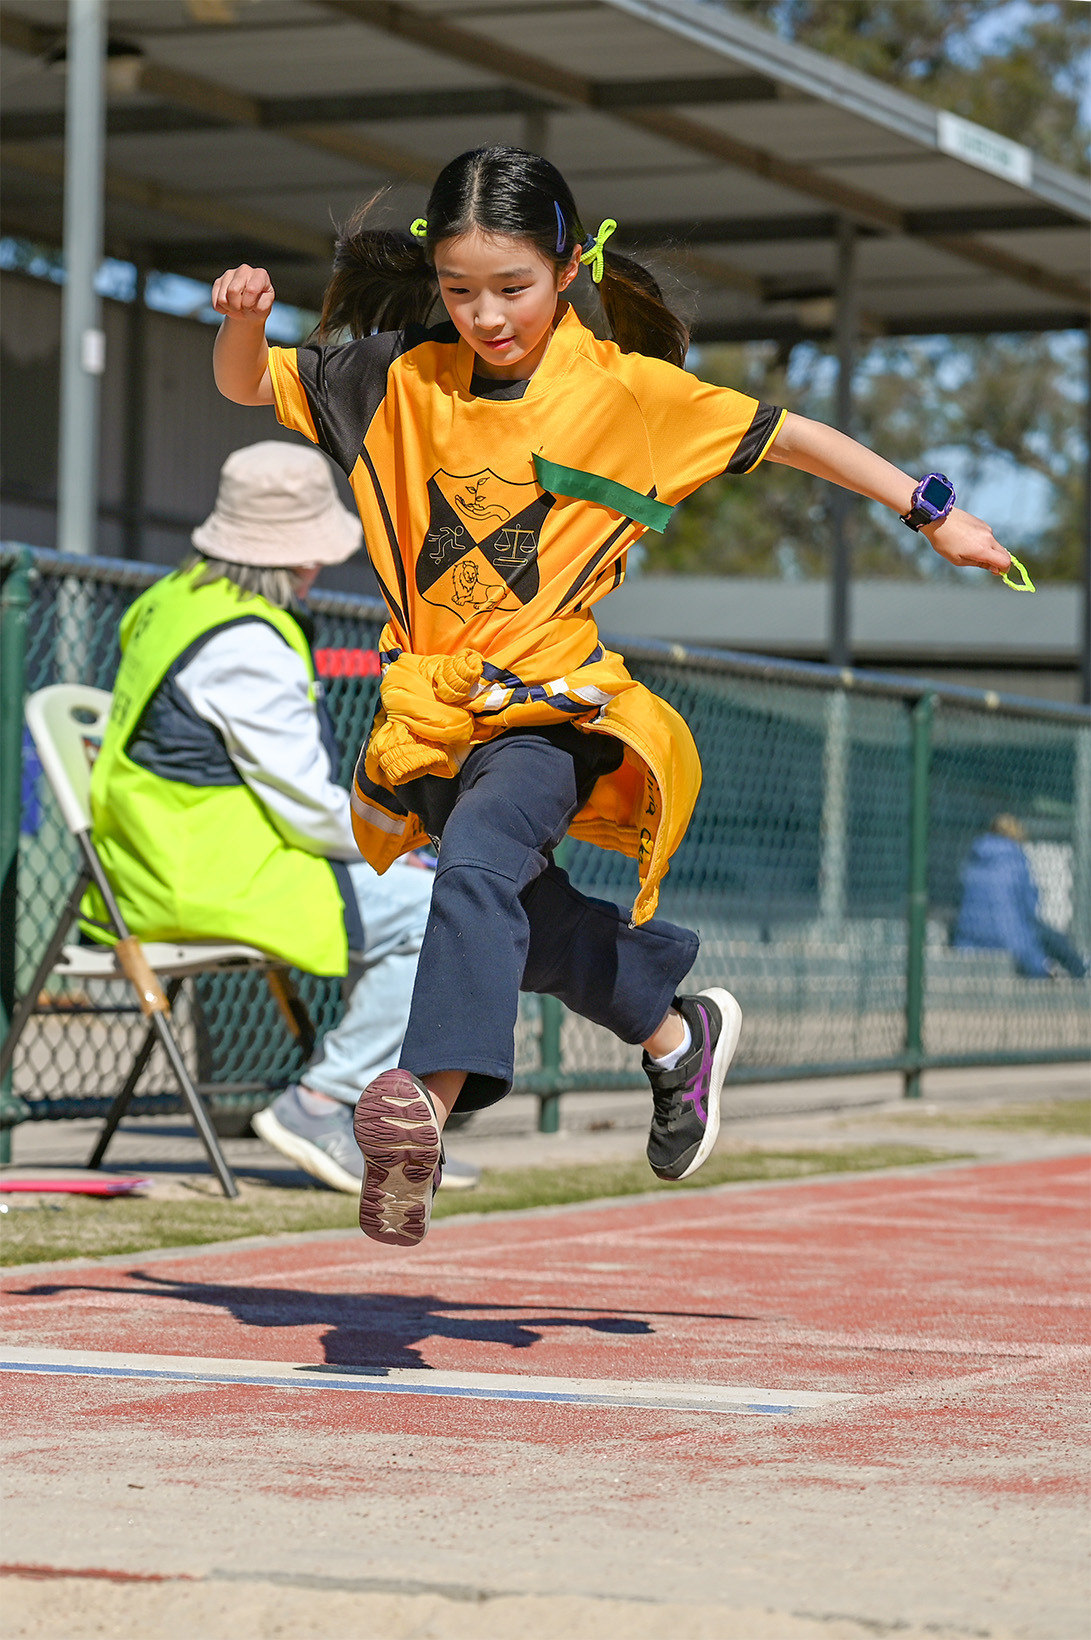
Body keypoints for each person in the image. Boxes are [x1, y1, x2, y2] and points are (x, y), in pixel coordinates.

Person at [211, 145, 1012, 1248]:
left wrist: (932, 512)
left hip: (555, 704)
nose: (485, 315)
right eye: (458, 291)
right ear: (430, 279)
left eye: (511, 289)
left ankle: (417, 1115)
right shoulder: (395, 378)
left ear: (563, 264)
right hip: (432, 719)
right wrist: (244, 320)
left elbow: (791, 437)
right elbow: (249, 384)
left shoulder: (630, 396)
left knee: (483, 865)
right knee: (524, 929)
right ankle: (674, 1032)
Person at [82, 441, 478, 1194]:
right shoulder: (249, 643)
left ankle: (363, 1121)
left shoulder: (176, 598)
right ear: (298, 559)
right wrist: (400, 845)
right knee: (441, 907)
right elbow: (304, 808)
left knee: (412, 903)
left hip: (146, 856)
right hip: (200, 871)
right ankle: (321, 1102)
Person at [953, 814, 1088, 979]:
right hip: (1007, 937)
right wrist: (1038, 966)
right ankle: (1082, 971)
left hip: (969, 942)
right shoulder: (1015, 861)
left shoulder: (973, 861)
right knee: (1051, 937)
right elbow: (1027, 912)